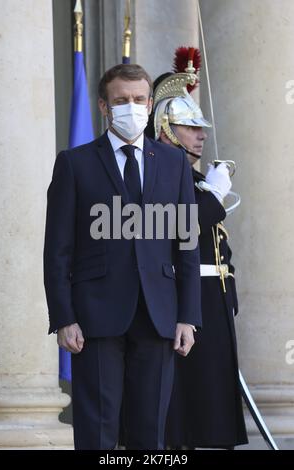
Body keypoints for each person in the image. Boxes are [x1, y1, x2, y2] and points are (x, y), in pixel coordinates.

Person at [43, 63, 201, 450]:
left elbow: (187, 244)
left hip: (159, 313)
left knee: (151, 432)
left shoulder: (174, 162)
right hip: (95, 316)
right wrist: (64, 318)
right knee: (98, 428)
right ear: (103, 106)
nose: (131, 107)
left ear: (150, 104)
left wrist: (188, 316)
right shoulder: (75, 163)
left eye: (138, 99)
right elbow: (57, 250)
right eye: (121, 100)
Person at [151, 52, 248, 449]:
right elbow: (181, 225)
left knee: (211, 407)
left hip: (213, 299)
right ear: (165, 128)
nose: (201, 134)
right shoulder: (159, 172)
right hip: (184, 301)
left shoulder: (188, 174)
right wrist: (214, 194)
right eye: (190, 126)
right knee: (186, 410)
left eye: (199, 126)